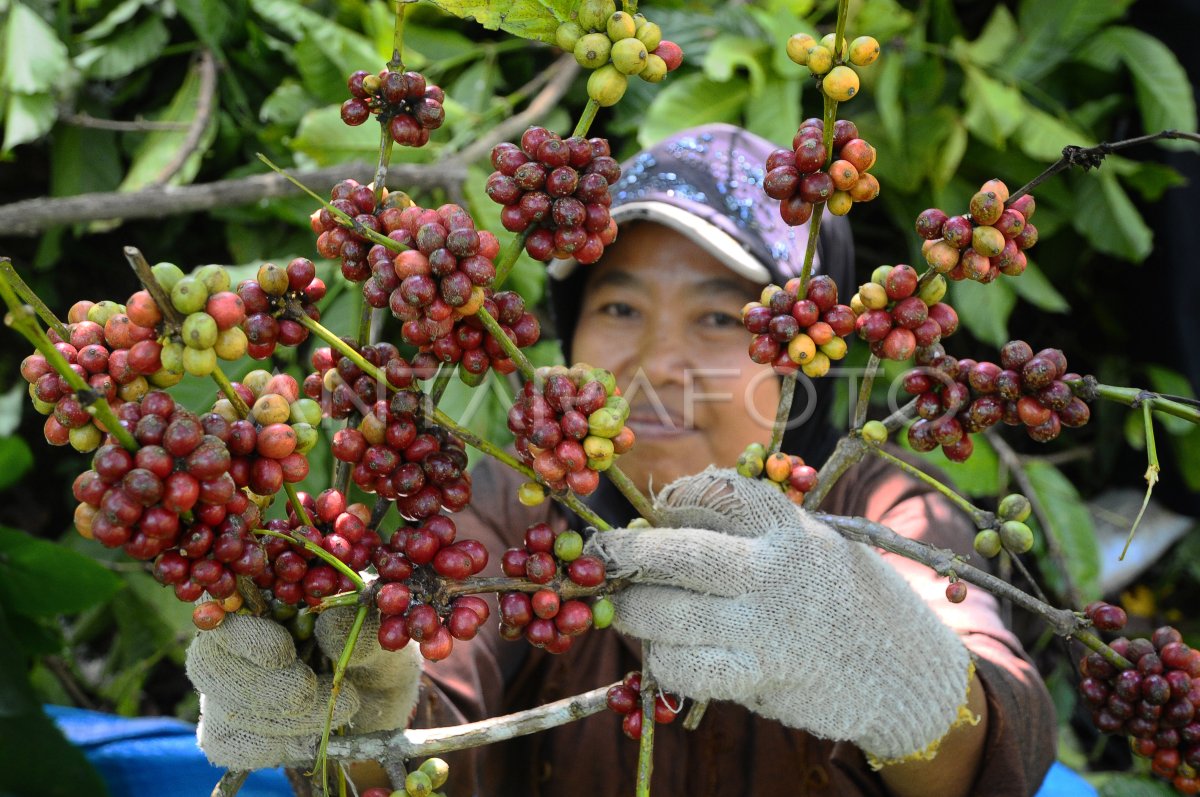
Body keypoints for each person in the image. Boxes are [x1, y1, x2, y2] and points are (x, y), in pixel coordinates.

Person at [186, 123, 1057, 796]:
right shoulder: (518, 503)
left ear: (807, 358)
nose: (654, 364)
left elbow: (995, 737)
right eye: (620, 308)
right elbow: (420, 729)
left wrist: (898, 677)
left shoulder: (887, 506)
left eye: (722, 318)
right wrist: (359, 720)